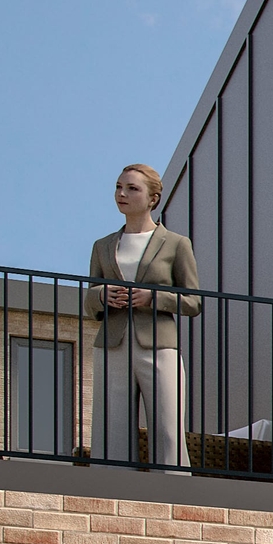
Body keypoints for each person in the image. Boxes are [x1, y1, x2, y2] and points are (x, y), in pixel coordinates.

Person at [87, 164, 201, 467]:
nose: (121, 194)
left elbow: (193, 301)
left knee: (167, 428)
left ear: (153, 198)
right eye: (118, 187)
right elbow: (90, 299)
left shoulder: (177, 244)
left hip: (160, 345)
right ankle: (109, 492)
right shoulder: (102, 246)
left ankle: (173, 492)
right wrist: (102, 295)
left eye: (132, 188)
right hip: (112, 344)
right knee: (110, 429)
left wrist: (154, 297)